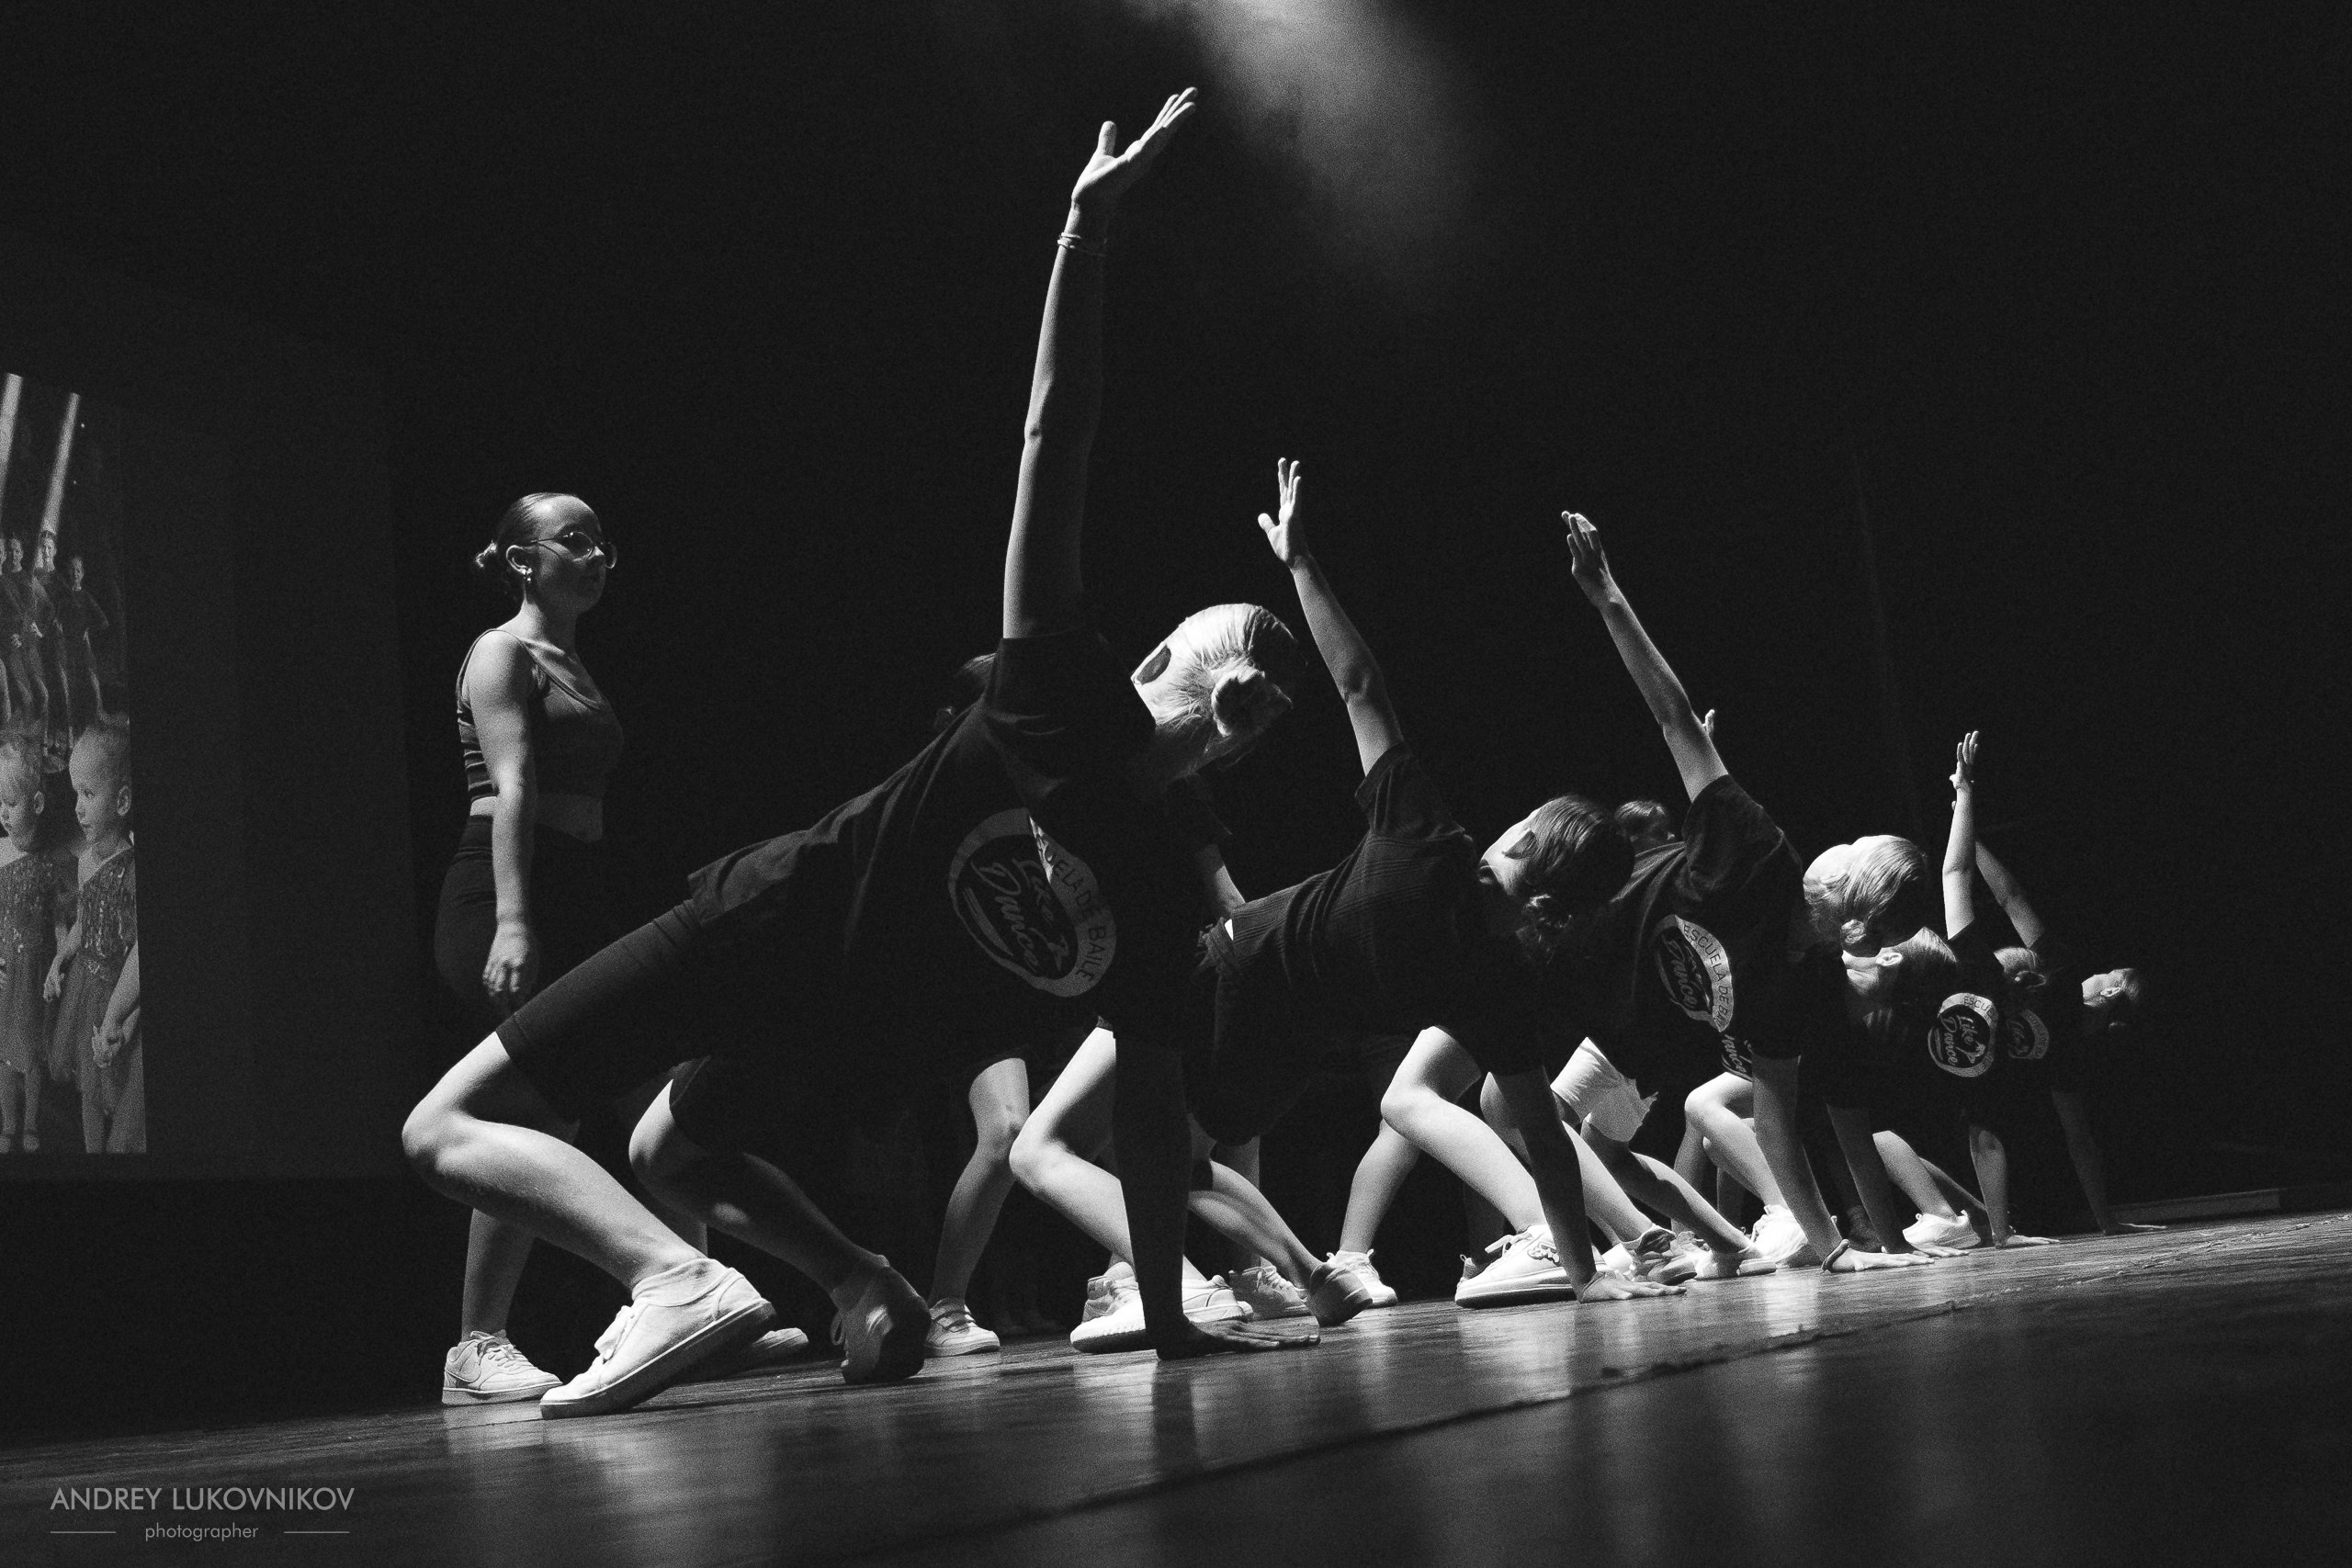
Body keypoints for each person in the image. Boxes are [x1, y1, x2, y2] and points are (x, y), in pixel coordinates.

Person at [405, 88, 1310, 1418]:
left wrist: (1083, 234)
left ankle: (671, 1278)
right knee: (667, 1144)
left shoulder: (1069, 714)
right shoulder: (1145, 860)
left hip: (772, 929)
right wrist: (1169, 1324)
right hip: (838, 1026)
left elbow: (1054, 433)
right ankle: (862, 1281)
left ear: (1168, 667)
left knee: (444, 1126)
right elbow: (1155, 1122)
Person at [1183, 464, 1679, 1308]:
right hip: (1291, 1047)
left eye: (1524, 825)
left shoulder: (1429, 844)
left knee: (1089, 1147)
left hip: (1232, 967)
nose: (1511, 823)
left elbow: (1359, 685)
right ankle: (1301, 1272)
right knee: (1176, 1157)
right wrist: (1587, 1274)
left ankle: (1210, 1277)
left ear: (1526, 843)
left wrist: (1300, 563)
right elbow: (1545, 1141)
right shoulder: (1498, 979)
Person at [46, 720, 138, 1153]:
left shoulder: (131, 871)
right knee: (87, 1084)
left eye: (88, 794)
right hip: (85, 985)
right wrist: (59, 959)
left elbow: (137, 955)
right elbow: (84, 924)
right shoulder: (84, 863)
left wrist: (127, 1020)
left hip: (115, 991)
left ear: (121, 801)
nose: (78, 809)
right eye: (75, 795)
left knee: (114, 1087)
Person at [0, 736, 73, 1153]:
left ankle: (30, 1124)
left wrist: (59, 962)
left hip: (36, 974)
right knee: (4, 1054)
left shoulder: (51, 860)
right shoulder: (0, 855)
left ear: (37, 804)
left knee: (31, 1055)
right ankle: (8, 1123)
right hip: (6, 973)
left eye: (12, 803)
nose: (4, 813)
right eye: (0, 803)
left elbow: (61, 919)